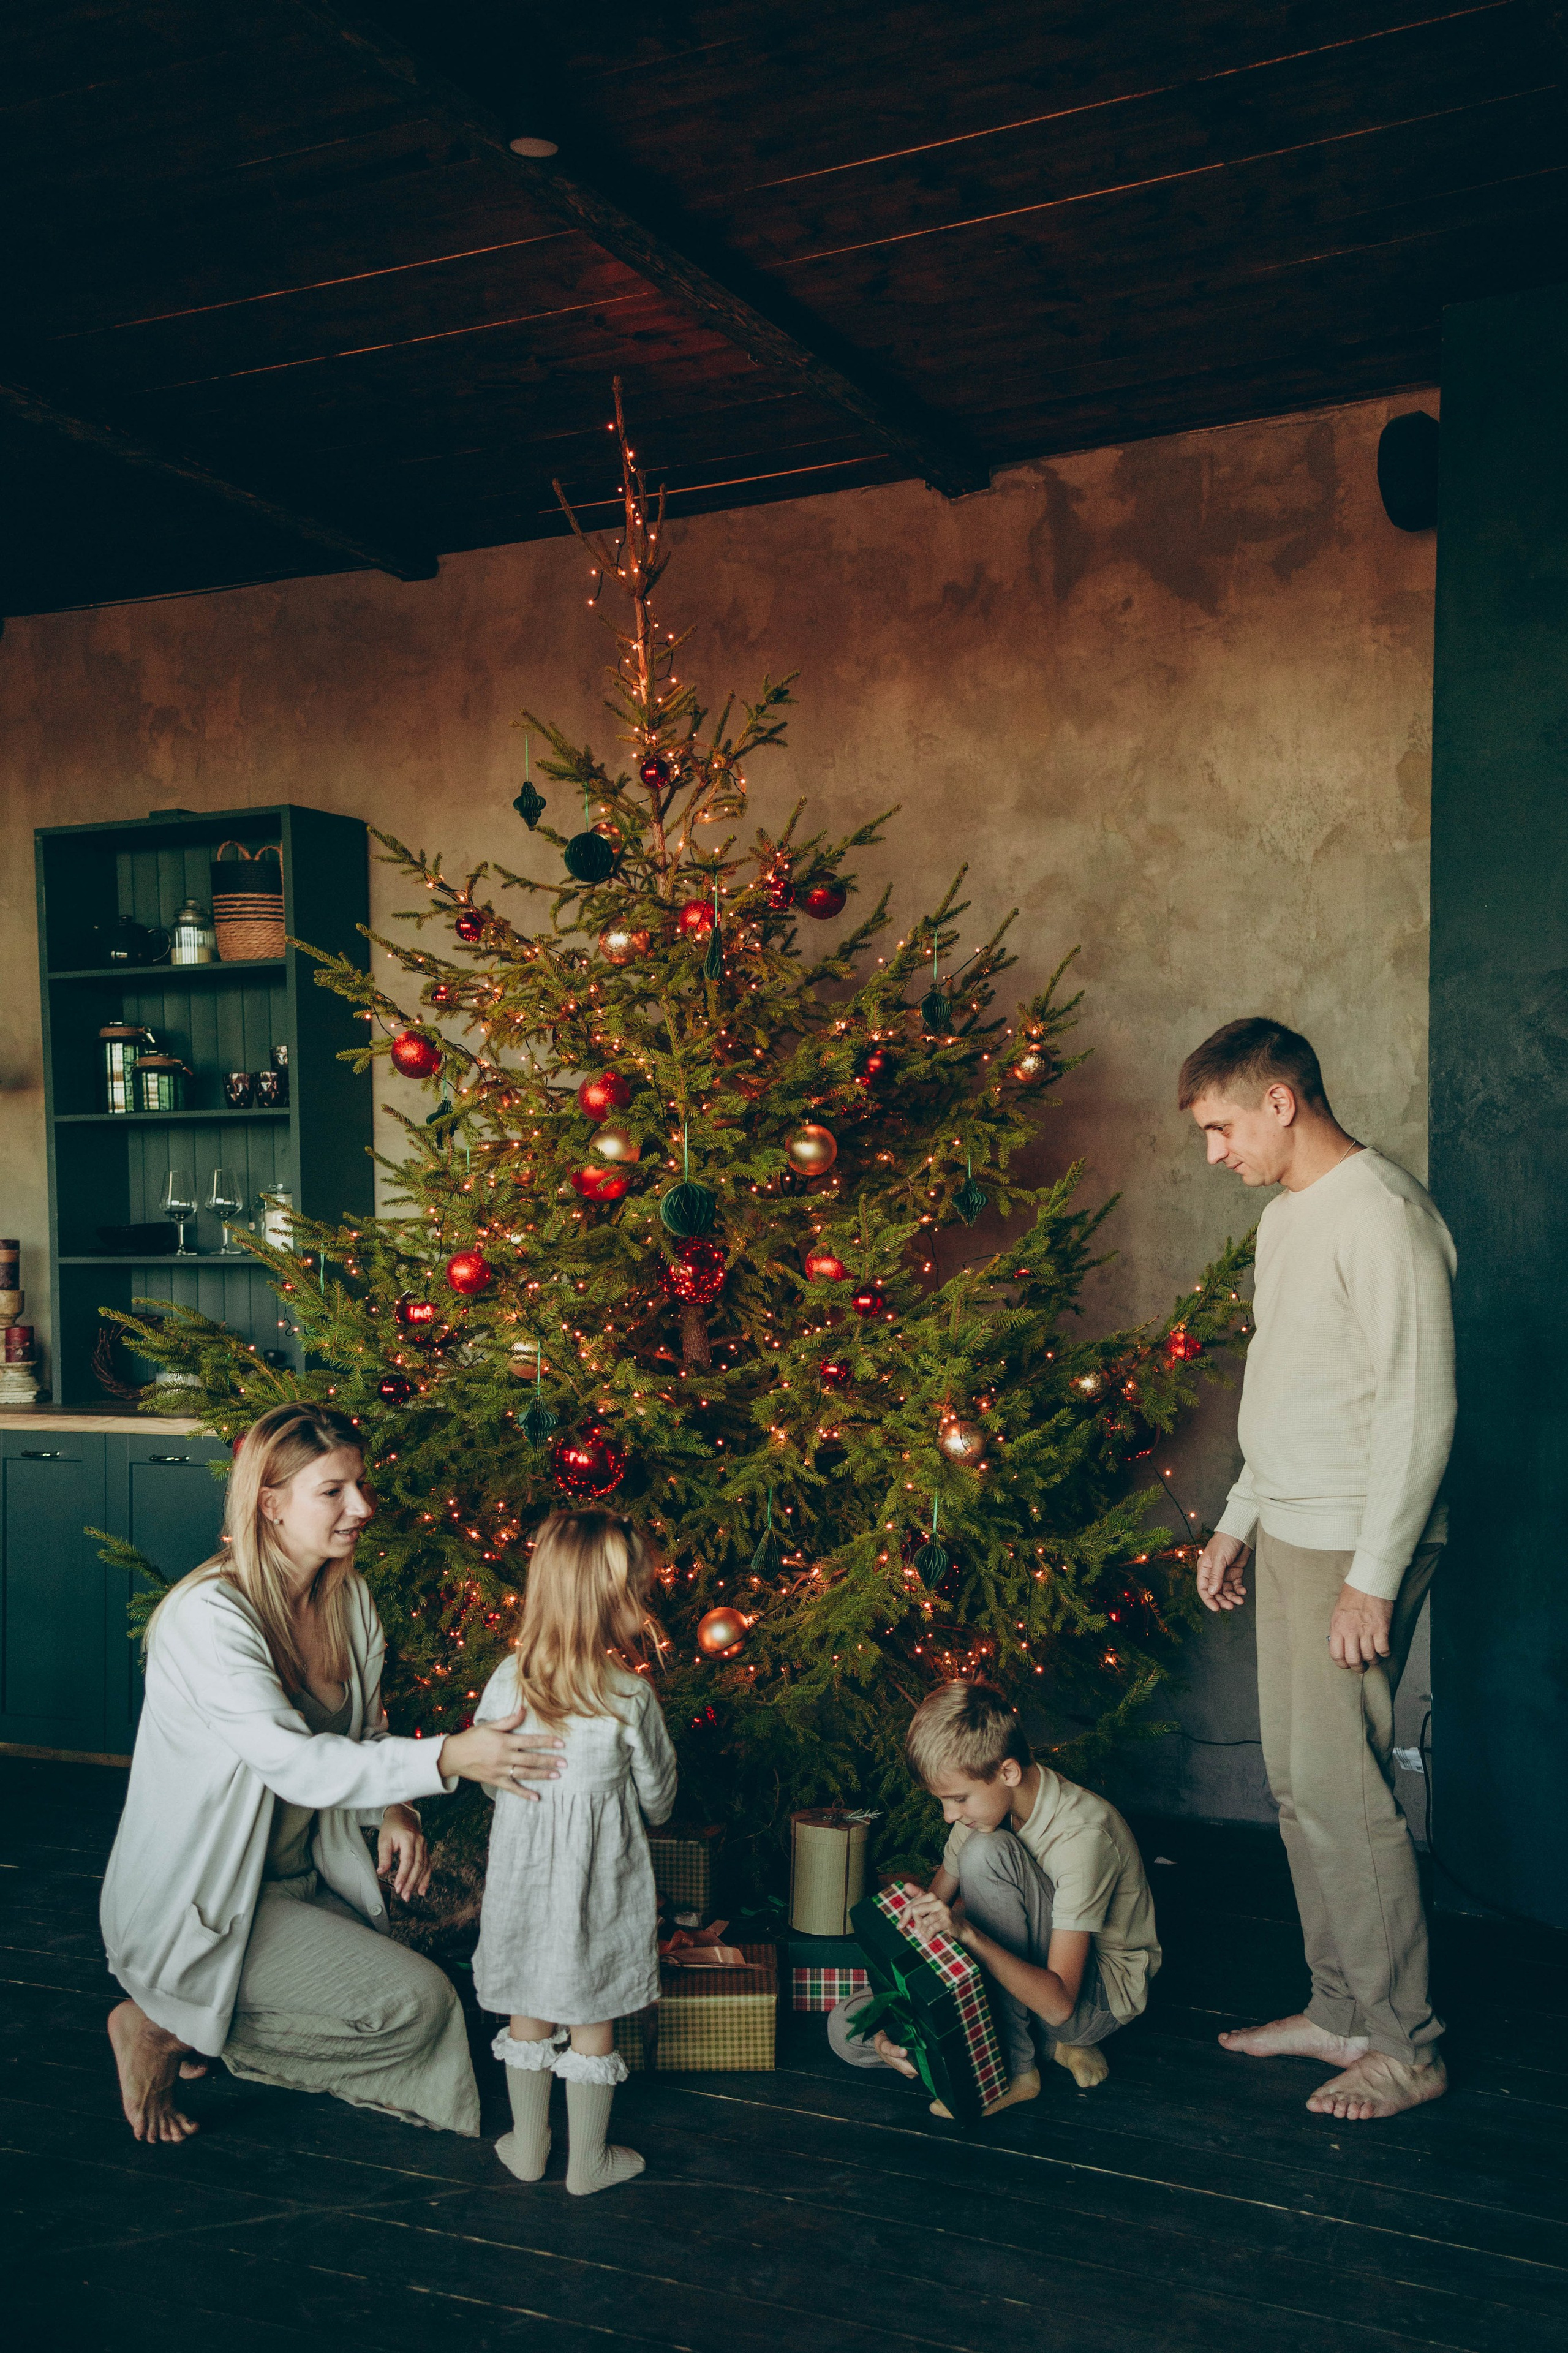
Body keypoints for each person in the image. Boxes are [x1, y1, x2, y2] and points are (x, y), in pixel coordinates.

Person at [102, 1400, 568, 2145]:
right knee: (425, 2003)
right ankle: (163, 2026)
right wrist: (449, 1755)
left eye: (361, 1484)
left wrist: (398, 1808)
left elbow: (367, 1733)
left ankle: (193, 2021)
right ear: (270, 1503)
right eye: (333, 1491)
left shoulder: (347, 1598)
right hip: (212, 1901)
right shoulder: (210, 1619)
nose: (362, 1507)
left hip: (301, 1878)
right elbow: (296, 1764)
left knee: (429, 1991)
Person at [1181, 1016, 1455, 2123]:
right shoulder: (1287, 1218)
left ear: (1281, 1101)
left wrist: (1373, 1576)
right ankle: (1342, 2008)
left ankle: (1408, 2044)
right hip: (1294, 1528)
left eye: (1220, 1127)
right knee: (1302, 1788)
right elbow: (1288, 1388)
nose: (1215, 1153)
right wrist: (1239, 1518)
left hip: (1358, 1540)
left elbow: (1421, 1404)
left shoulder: (1383, 1213)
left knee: (1347, 1792)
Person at [827, 1680, 1159, 2109]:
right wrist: (894, 2027)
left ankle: (1015, 2071)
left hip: (1087, 2002)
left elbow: (1060, 2005)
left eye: (958, 1799)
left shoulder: (1082, 1836)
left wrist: (966, 1933)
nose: (950, 1815)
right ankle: (1035, 2045)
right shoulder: (985, 1807)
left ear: (1007, 1772)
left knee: (986, 1853)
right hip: (1020, 1979)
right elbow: (934, 1908)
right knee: (846, 2028)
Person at [470, 1510, 676, 2196]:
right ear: (610, 1602)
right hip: (600, 1887)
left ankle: (530, 2146)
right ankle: (586, 2162)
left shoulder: (508, 1680)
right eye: (635, 1593)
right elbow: (659, 1797)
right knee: (593, 2018)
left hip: (523, 1882)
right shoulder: (628, 1697)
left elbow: (490, 1776)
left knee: (526, 2008)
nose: (642, 1605)